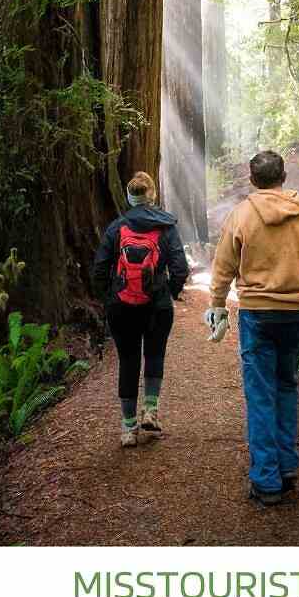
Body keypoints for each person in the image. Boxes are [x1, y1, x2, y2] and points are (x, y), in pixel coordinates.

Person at [207, 149, 299, 505]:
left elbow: (222, 268)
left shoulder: (243, 214)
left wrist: (217, 304)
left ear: (253, 179)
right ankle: (287, 467)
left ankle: (266, 481)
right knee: (286, 387)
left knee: (261, 394)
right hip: (295, 313)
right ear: (283, 177)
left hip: (257, 315)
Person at [92, 170, 189, 448]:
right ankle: (151, 411)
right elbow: (180, 269)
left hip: (122, 306)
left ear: (129, 197)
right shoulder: (167, 226)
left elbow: (100, 268)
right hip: (157, 306)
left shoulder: (116, 228)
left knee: (128, 360)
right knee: (154, 354)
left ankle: (127, 428)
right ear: (152, 195)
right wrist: (169, 291)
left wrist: (109, 296)